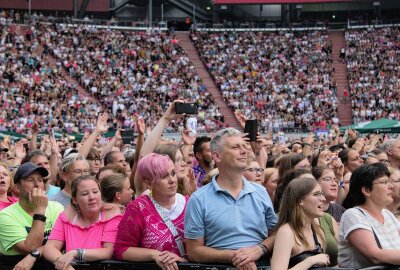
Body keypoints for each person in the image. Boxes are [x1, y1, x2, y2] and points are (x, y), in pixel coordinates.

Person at [184, 128, 277, 269]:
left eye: (244, 146)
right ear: (217, 156)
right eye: (235, 147)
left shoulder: (261, 192)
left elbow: (276, 234)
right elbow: (193, 251)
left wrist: (259, 249)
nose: (244, 151)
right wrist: (236, 257)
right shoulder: (198, 199)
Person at [114, 153, 188, 270]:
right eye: (163, 176)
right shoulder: (138, 208)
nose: (172, 180)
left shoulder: (190, 203)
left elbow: (203, 246)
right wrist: (154, 255)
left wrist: (184, 262)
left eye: (173, 173)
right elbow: (120, 250)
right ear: (148, 183)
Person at [43, 175, 122, 270]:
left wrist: (76, 253)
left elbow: (109, 251)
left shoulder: (112, 216)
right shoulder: (66, 217)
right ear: (75, 200)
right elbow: (49, 248)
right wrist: (65, 265)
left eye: (95, 192)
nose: (91, 197)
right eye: (85, 194)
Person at [0, 162, 63, 268]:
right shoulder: (5, 216)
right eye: (30, 180)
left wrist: (35, 254)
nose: (37, 184)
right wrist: (40, 211)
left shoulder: (56, 207)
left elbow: (63, 242)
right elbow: (31, 247)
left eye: (40, 180)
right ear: (18, 187)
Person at [338, 163, 400, 268]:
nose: (391, 186)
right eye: (384, 182)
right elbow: (375, 256)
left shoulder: (387, 214)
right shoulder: (353, 215)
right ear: (366, 191)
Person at [271, 177, 330, 270]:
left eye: (322, 194)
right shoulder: (286, 232)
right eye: (316, 194)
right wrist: (310, 261)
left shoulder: (318, 230)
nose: (323, 199)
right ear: (300, 200)